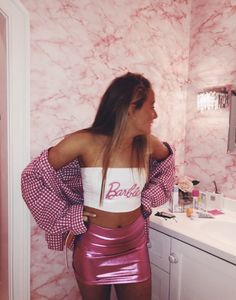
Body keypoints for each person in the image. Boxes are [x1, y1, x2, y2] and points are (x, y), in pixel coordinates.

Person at [21, 72, 175, 300]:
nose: (155, 114)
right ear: (131, 106)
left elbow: (167, 165)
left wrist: (147, 198)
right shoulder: (84, 142)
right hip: (94, 249)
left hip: (135, 246)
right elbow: (33, 176)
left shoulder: (149, 144)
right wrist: (70, 213)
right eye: (151, 106)